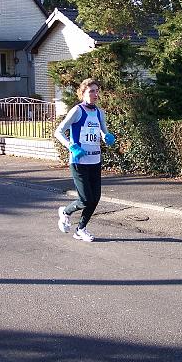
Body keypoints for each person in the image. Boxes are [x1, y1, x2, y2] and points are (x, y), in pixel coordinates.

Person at [54, 78, 116, 242]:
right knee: (86, 199)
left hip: (95, 161)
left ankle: (80, 229)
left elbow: (102, 131)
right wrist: (71, 147)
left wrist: (106, 137)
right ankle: (66, 212)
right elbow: (58, 132)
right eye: (91, 91)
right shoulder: (77, 111)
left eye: (97, 91)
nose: (95, 94)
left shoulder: (98, 112)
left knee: (95, 198)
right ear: (83, 94)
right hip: (79, 162)